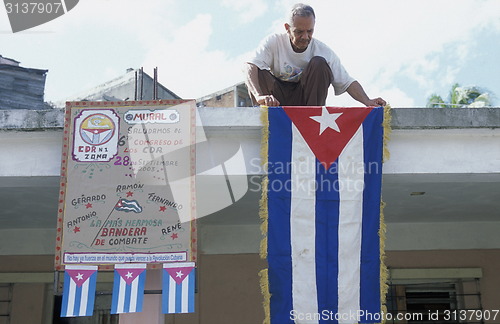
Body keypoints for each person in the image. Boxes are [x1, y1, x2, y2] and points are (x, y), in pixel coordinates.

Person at [245, 3, 386, 107]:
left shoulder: (322, 50)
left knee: (319, 63)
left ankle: (313, 116)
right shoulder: (274, 41)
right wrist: (258, 96)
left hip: (305, 102)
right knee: (256, 67)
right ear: (287, 28)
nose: (305, 37)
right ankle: (262, 112)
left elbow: (347, 81)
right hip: (277, 100)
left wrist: (367, 101)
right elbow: (249, 66)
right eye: (299, 32)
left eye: (310, 31)